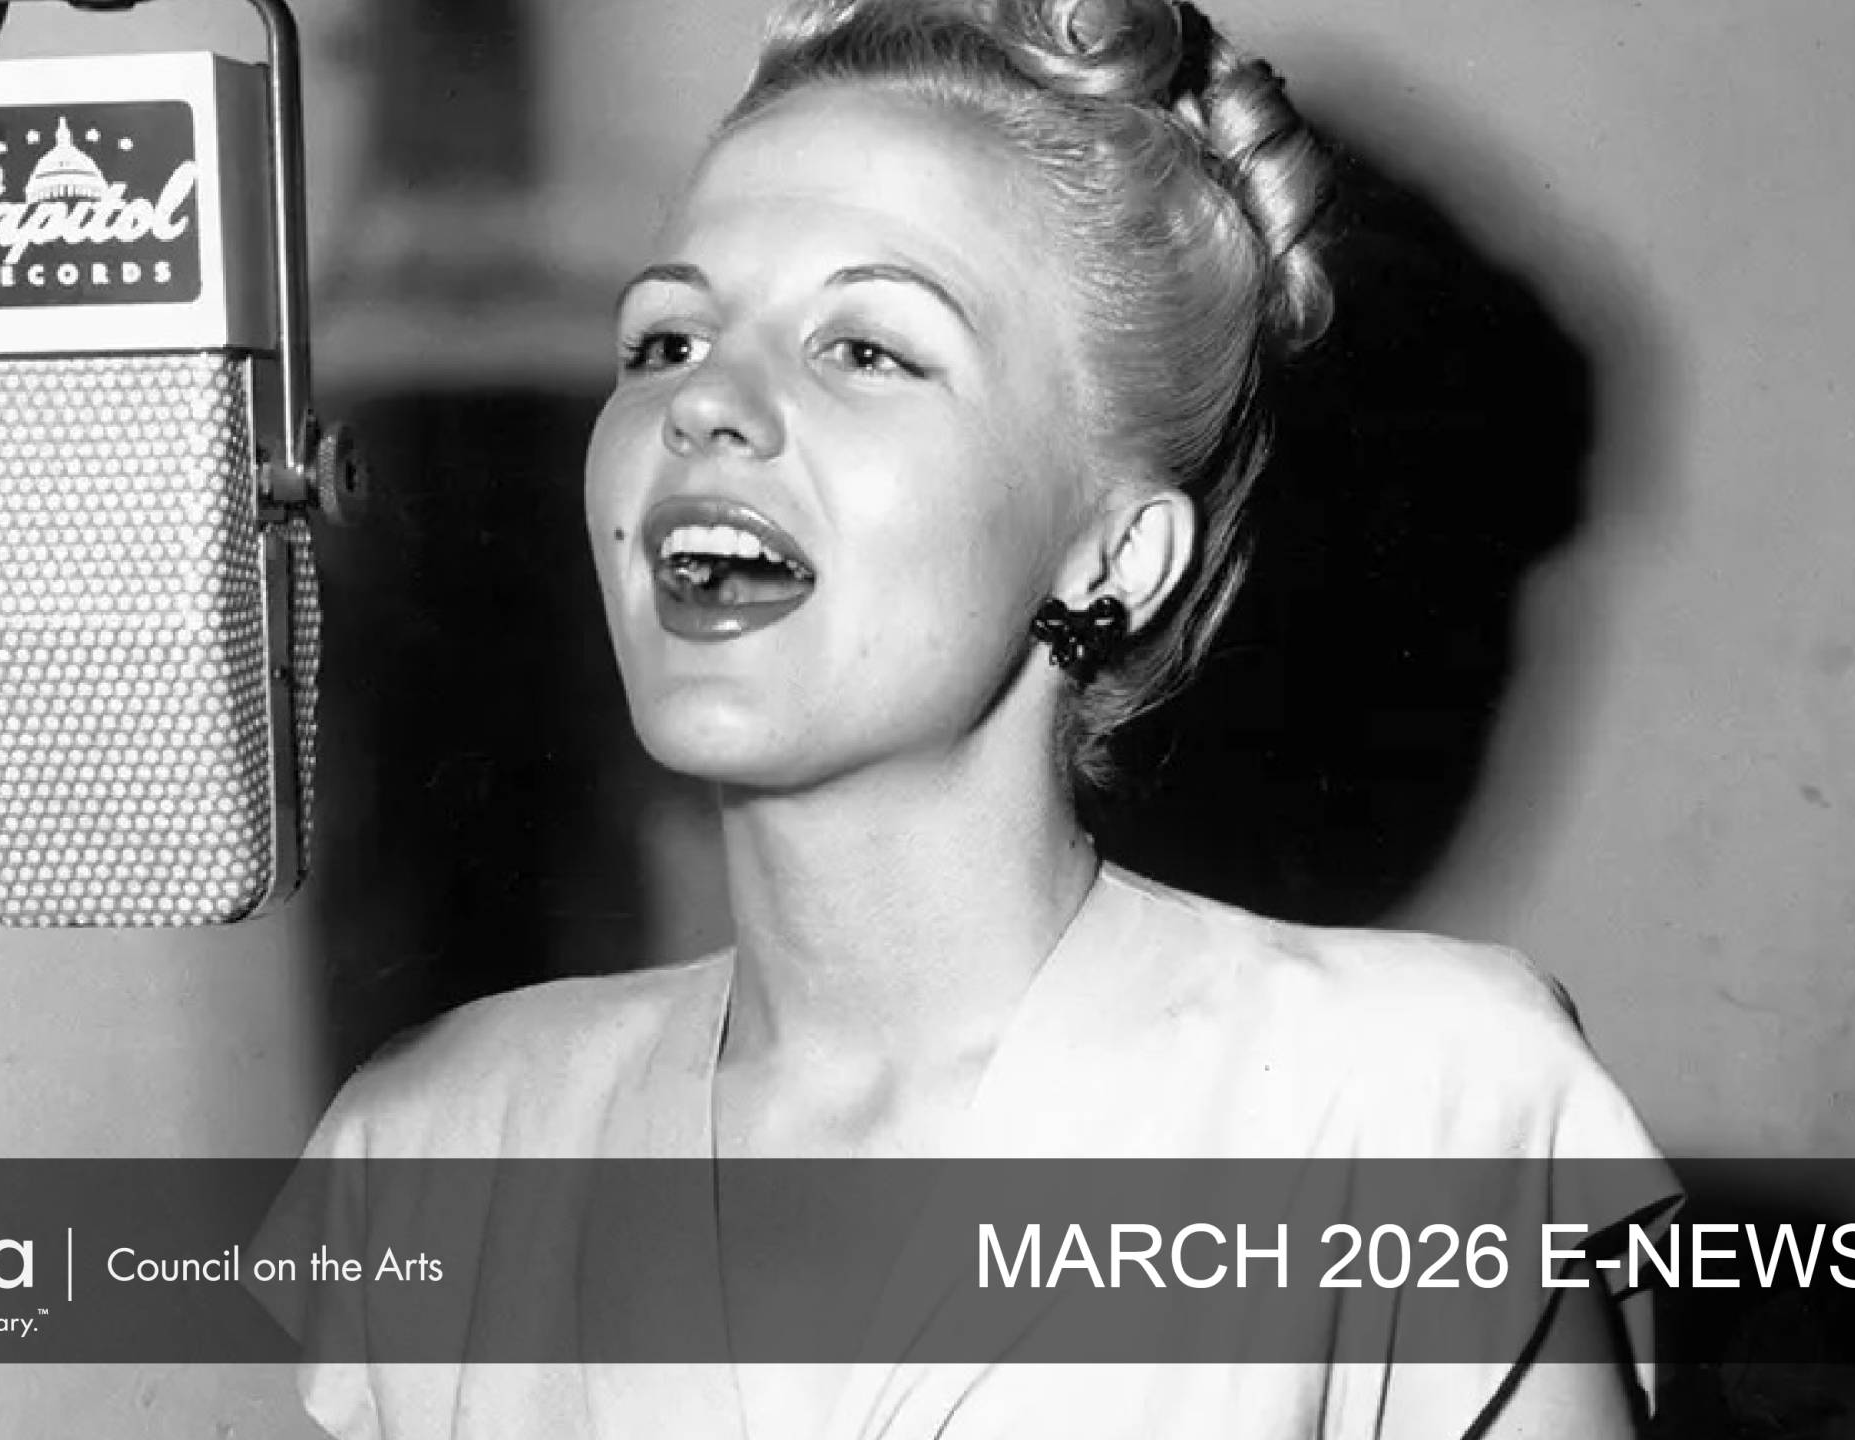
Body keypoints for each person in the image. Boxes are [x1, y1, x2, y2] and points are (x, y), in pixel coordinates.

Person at [274, 0, 1680, 1434]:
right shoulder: (436, 1148)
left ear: (1114, 559)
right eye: (663, 340)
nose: (704, 406)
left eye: (868, 348)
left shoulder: (1414, 1115)